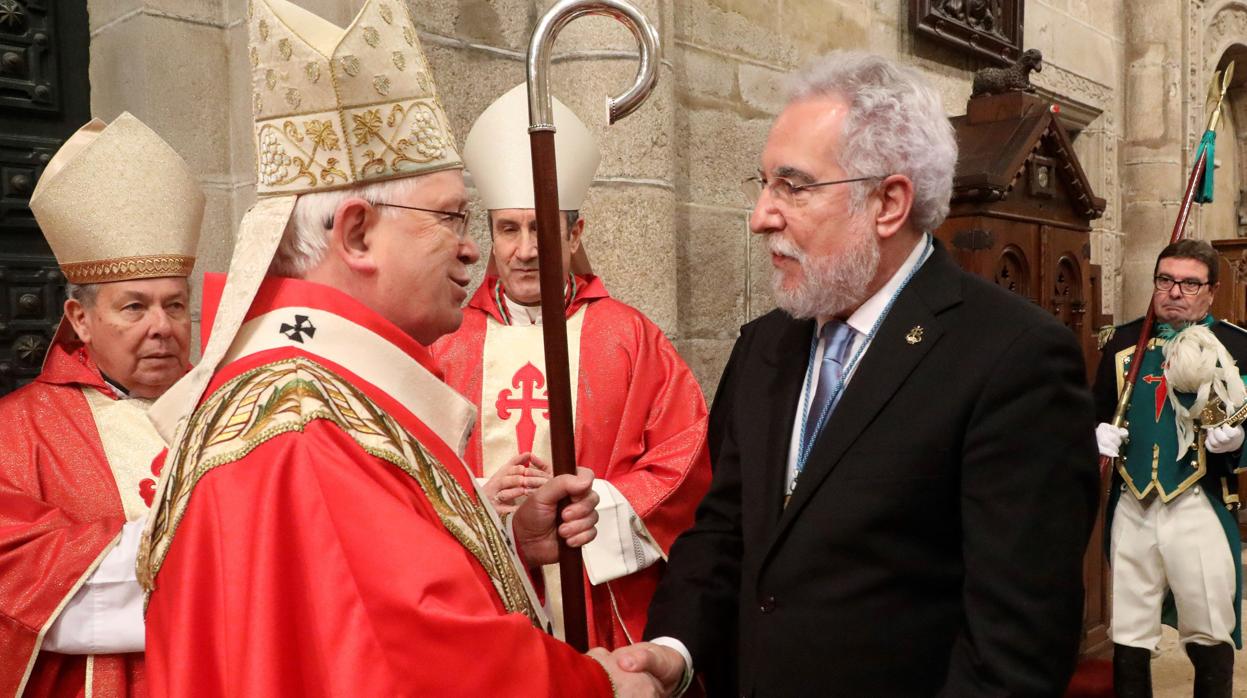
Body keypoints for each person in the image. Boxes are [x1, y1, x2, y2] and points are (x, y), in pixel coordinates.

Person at [138, 2, 661, 696]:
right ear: (355, 235)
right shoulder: (302, 424)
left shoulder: (311, 388)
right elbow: (416, 657)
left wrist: (512, 542)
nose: (473, 247)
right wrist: (598, 687)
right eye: (452, 217)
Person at [615, 50, 1099, 697]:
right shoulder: (763, 346)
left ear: (888, 203)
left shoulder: (1012, 358)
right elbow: (725, 528)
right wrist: (674, 648)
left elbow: (1012, 651)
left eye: (792, 186)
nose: (760, 216)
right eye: (761, 184)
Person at [430, 83, 712, 649]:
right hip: (487, 599)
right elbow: (407, 470)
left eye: (541, 229)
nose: (525, 250)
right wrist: (484, 496)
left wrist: (599, 507)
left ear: (575, 233)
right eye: (509, 229)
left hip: (599, 599)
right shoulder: (445, 342)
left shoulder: (630, 338)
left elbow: (687, 455)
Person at [0, 113, 204, 697]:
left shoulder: (232, 410)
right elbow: (20, 578)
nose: (162, 328)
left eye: (175, 305)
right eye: (134, 308)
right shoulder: (19, 431)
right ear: (80, 320)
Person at [1094, 239, 1247, 698]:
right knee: (1129, 631)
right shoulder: (1123, 341)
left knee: (1207, 628)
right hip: (1131, 504)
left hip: (1198, 502)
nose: (1175, 291)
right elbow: (1091, 410)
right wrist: (1093, 434)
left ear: (1211, 291)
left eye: (1189, 283)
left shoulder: (1236, 346)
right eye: (1165, 280)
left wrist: (1240, 441)